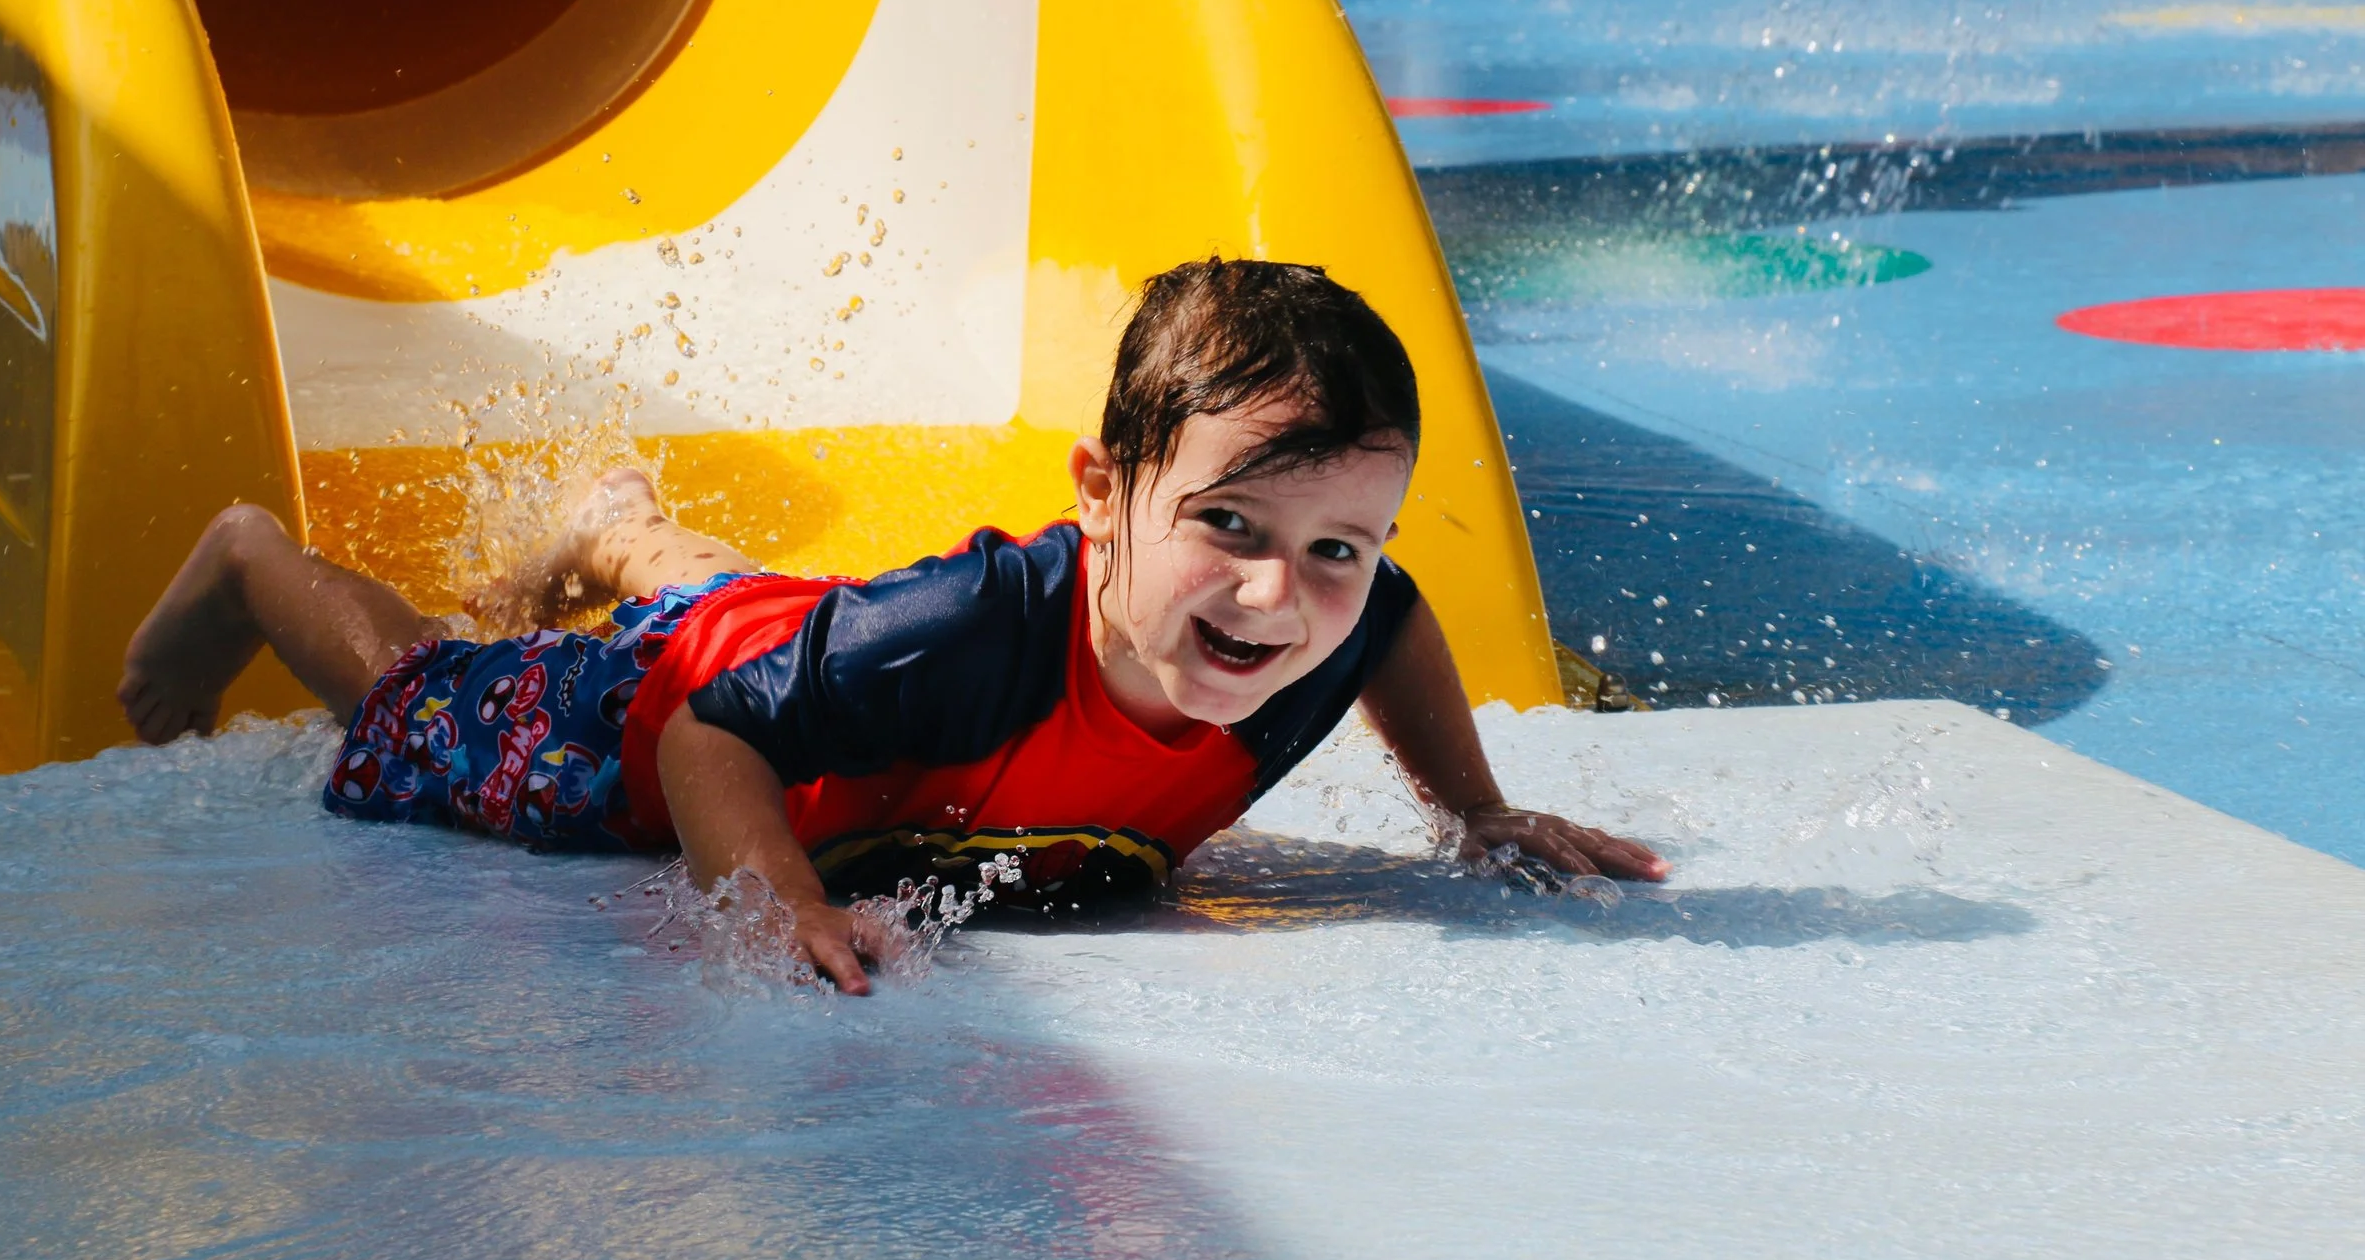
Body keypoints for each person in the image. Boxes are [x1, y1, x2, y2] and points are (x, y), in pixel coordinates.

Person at [120, 258, 1668, 993]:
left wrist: (1476, 812)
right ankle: (257, 566)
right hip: (655, 712)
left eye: (1335, 541)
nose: (1283, 592)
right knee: (421, 703)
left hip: (807, 649)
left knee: (784, 630)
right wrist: (778, 899)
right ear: (1103, 493)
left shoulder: (1305, 635)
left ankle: (621, 528)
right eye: (1228, 525)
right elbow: (716, 729)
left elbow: (1393, 618)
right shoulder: (979, 635)